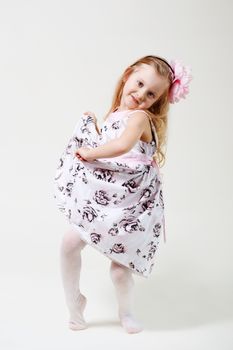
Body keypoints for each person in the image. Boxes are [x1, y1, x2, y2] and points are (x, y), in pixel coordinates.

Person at [53, 55, 192, 334]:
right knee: (69, 244)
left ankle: (125, 312)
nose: (141, 95)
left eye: (150, 93)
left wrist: (91, 152)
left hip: (129, 207)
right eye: (139, 84)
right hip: (106, 200)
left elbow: (122, 145)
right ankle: (74, 302)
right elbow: (111, 157)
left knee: (119, 269)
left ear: (157, 101)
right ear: (127, 75)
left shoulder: (140, 118)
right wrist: (91, 126)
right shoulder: (116, 113)